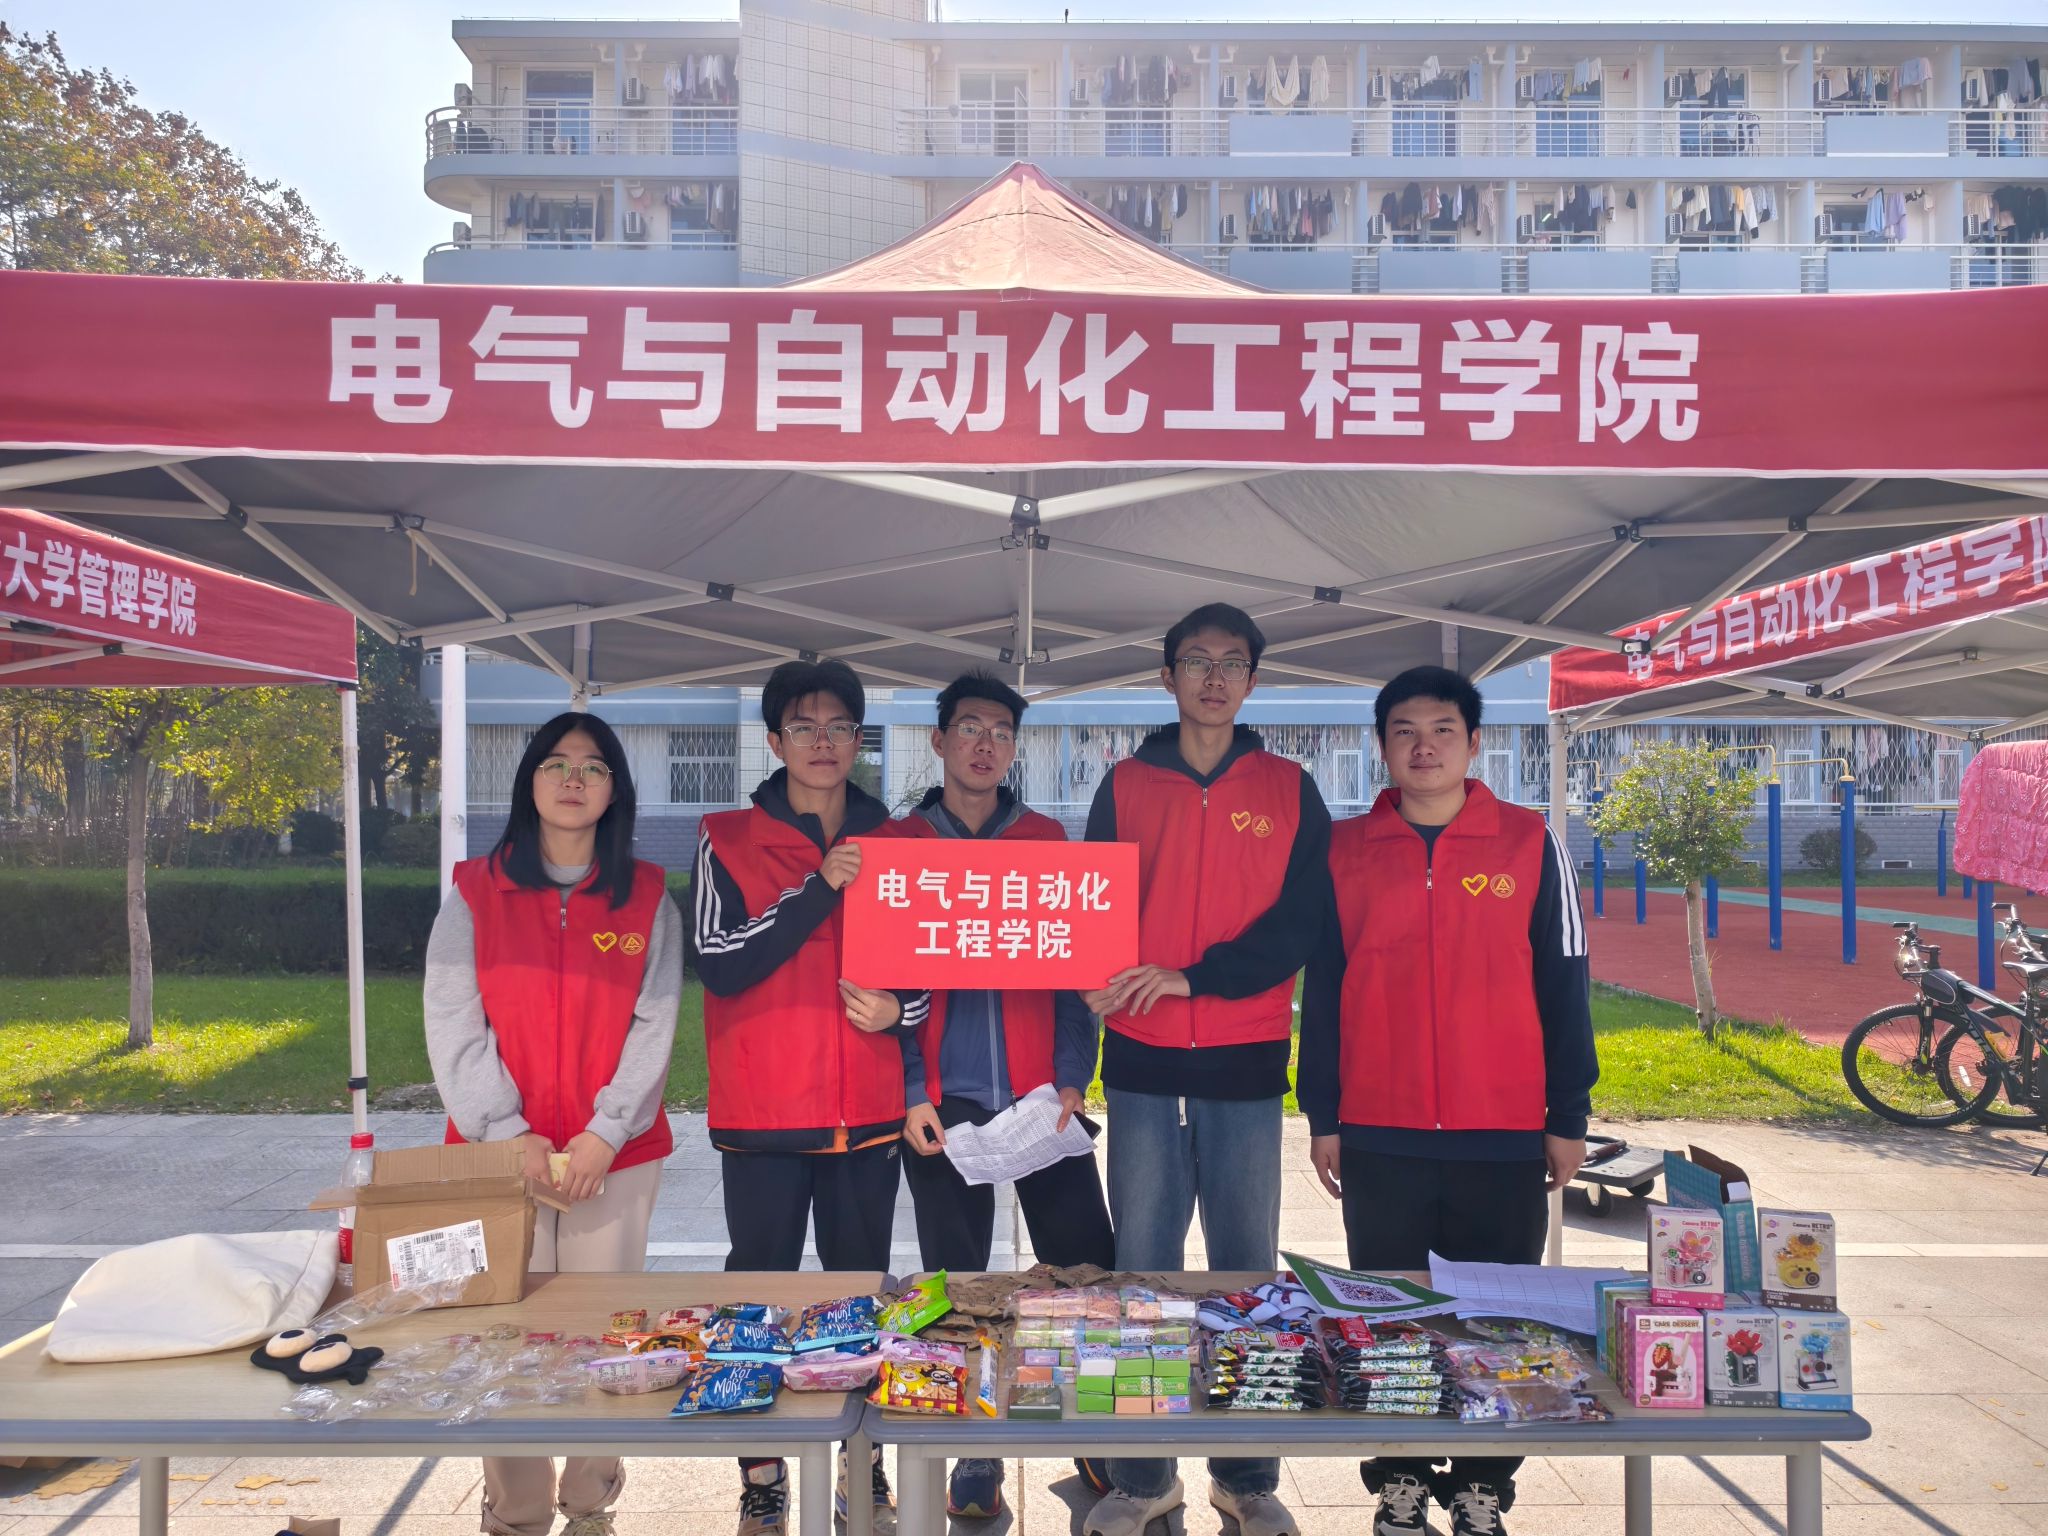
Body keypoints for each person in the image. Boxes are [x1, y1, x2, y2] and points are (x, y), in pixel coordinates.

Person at [1299, 666, 1597, 1536]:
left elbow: (1566, 982)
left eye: (1441, 730)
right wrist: (1324, 1114)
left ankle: (1481, 1489)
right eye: (1404, 731)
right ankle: (1397, 1480)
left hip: (1501, 1129)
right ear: (1381, 745)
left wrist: (1566, 1116)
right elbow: (1325, 989)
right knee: (1390, 1319)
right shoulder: (1345, 851)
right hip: (1380, 1129)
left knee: (1498, 1321)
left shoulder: (1529, 842)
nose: (1422, 747)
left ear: (1474, 743)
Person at [1079, 604, 1331, 1536]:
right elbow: (1094, 908)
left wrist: (1196, 975)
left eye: (1232, 663)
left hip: (1244, 1062)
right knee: (1142, 1270)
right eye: (1196, 661)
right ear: (1168, 676)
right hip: (1142, 1061)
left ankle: (1245, 1474)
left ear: (1253, 681)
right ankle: (1142, 1478)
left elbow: (1300, 924)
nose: (1214, 677)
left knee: (1244, 1270)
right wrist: (1093, 975)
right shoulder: (1125, 784)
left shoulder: (1290, 788)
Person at [425, 711, 681, 1536]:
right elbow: (453, 1019)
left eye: (594, 766)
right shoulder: (475, 892)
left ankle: (591, 1503)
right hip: (501, 1158)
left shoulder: (646, 896)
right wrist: (506, 1130)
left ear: (615, 790)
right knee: (508, 1336)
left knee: (607, 1336)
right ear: (528, 781)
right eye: (556, 763)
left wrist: (607, 1130)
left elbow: (655, 1021)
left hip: (616, 1156)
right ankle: (517, 1514)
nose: (574, 779)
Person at [692, 658, 924, 1536]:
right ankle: (761, 1475)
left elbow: (929, 964)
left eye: (838, 728)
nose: (822, 743)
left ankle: (862, 1468)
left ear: (859, 740)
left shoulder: (900, 840)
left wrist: (901, 1010)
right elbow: (721, 961)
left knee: (858, 1299)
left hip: (866, 1114)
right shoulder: (727, 837)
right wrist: (820, 886)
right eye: (803, 727)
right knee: (758, 1298)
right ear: (774, 740)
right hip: (764, 1112)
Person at [886, 670, 1117, 1521]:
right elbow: (884, 981)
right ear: (939, 740)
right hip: (942, 1104)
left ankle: (1095, 1432)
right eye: (970, 728)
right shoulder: (902, 845)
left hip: (1039, 1098)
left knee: (1084, 1269)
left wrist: (1072, 1078)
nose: (986, 745)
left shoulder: (1047, 841)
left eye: (1002, 732)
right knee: (957, 1283)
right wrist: (912, 1089)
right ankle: (974, 1451)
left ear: (1015, 748)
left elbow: (1076, 981)